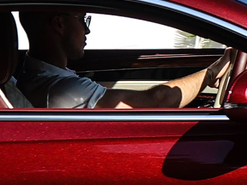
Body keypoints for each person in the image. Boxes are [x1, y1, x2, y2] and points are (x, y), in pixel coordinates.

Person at [16, 7, 226, 109]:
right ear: (59, 24)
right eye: (82, 19)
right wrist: (211, 73)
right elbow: (156, 101)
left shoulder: (32, 75)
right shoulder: (63, 88)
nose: (87, 30)